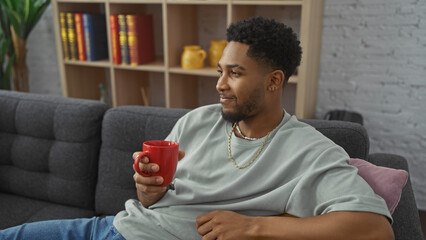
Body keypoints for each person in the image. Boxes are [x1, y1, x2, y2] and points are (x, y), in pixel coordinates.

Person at [0, 17, 394, 240]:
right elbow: (156, 201)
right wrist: (147, 188)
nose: (220, 84)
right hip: (111, 229)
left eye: (235, 74)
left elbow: (375, 229)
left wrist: (254, 226)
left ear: (274, 82)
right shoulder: (197, 120)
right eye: (220, 71)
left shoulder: (310, 151)